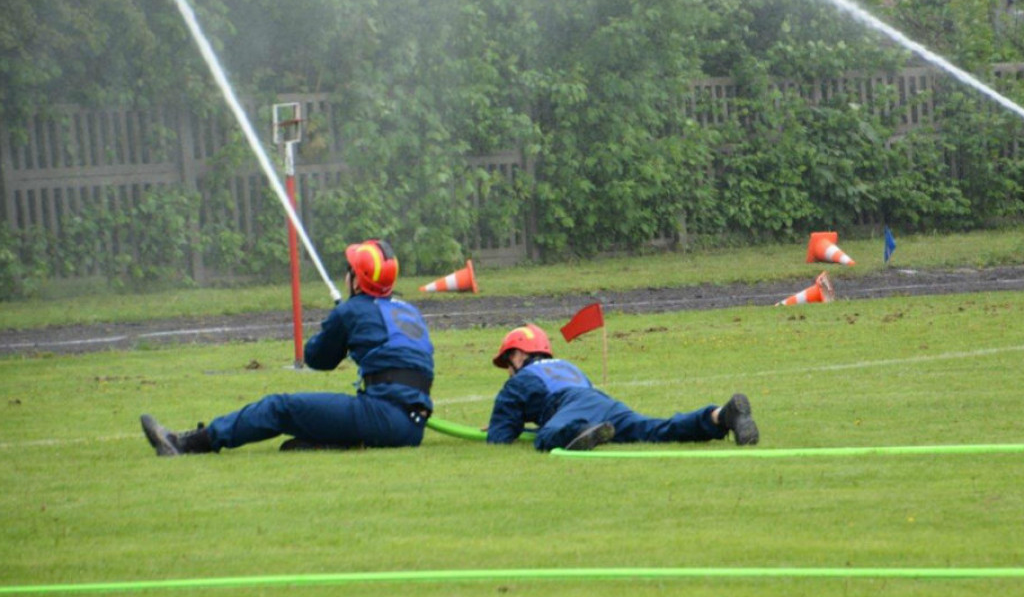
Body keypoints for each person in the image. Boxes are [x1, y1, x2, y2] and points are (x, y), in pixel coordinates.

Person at [140, 239, 434, 456]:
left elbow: (317, 358)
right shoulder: (409, 310)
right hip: (413, 426)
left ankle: (186, 444)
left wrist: (337, 322)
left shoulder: (352, 311)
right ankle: (326, 443)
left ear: (357, 281)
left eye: (350, 270)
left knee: (279, 407)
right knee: (317, 420)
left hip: (383, 417)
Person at [486, 323, 758, 451]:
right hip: (601, 402)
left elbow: (499, 438)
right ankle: (719, 415)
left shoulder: (519, 382)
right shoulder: (568, 366)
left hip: (570, 406)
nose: (508, 371)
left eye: (506, 363)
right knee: (654, 429)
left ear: (517, 355)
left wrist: (512, 428)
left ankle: (582, 432)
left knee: (546, 437)